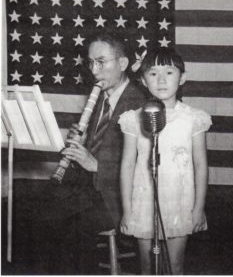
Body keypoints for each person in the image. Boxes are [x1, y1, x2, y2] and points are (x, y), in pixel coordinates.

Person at [31, 30, 147, 274]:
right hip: (87, 187)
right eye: (91, 62)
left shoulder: (139, 102)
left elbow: (144, 165)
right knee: (39, 211)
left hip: (118, 196)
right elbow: (99, 143)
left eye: (101, 62)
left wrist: (95, 165)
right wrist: (82, 139)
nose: (94, 70)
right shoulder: (100, 98)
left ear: (123, 64)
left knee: (74, 227)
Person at [118, 48, 212, 274]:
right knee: (146, 266)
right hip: (144, 201)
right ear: (142, 80)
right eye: (152, 74)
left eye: (169, 73)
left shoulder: (193, 118)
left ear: (182, 78)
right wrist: (128, 210)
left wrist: (198, 208)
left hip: (179, 201)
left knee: (174, 265)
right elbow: (127, 166)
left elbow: (201, 166)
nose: (161, 80)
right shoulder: (133, 119)